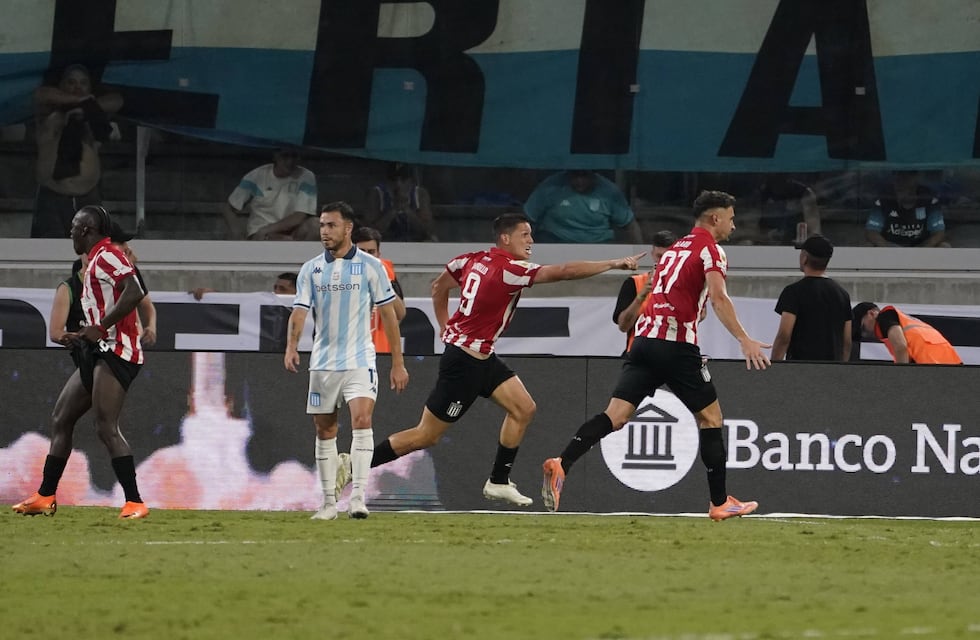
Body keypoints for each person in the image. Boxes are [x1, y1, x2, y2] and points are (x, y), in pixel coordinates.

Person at [344, 213, 644, 507]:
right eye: (524, 234)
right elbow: (564, 271)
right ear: (505, 238)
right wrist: (613, 263)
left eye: (531, 234)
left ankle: (498, 481)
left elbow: (439, 286)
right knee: (426, 436)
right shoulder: (512, 269)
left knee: (524, 408)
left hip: (482, 357)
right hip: (463, 364)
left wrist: (445, 324)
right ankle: (355, 464)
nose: (531, 241)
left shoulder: (470, 259)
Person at [541, 191, 770, 520]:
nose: (734, 226)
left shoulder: (674, 251)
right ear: (715, 218)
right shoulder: (711, 251)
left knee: (615, 416)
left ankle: (562, 462)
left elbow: (664, 295)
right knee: (711, 419)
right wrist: (743, 338)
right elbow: (719, 298)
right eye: (731, 218)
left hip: (644, 342)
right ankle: (720, 502)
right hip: (676, 345)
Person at [13, 205, 149, 518]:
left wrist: (100, 328)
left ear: (86, 229)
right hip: (99, 350)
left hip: (118, 351)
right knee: (61, 418)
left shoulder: (108, 255)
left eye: (74, 227)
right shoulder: (94, 262)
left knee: (105, 427)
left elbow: (135, 290)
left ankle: (135, 502)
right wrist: (82, 335)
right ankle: (45, 495)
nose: (70, 232)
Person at [284, 201, 409, 520]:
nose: (324, 231)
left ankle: (358, 497)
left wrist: (397, 362)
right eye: (322, 226)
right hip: (323, 363)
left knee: (363, 420)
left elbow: (389, 315)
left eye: (331, 225)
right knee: (325, 429)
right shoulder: (311, 268)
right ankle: (327, 503)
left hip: (360, 359)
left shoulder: (371, 266)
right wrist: (292, 347)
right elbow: (299, 310)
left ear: (347, 228)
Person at [31, 64, 122, 238]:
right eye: (71, 82)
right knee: (49, 254)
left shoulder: (93, 115)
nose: (77, 87)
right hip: (52, 197)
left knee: (92, 257)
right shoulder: (49, 114)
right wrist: (76, 102)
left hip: (88, 198)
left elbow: (118, 100)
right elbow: (41, 95)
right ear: (62, 86)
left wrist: (87, 107)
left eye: (83, 83)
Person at [50, 222, 157, 355]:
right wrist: (72, 337)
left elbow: (144, 305)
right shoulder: (70, 288)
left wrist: (150, 327)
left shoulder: (127, 274)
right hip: (90, 355)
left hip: (122, 353)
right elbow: (56, 331)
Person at [771, 235, 852, 361]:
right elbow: (846, 341)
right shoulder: (842, 294)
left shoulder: (793, 292)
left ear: (804, 259)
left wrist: (775, 367)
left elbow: (784, 336)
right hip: (832, 371)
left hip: (800, 369)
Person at [222, 147, 319, 241]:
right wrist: (238, 233)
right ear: (275, 156)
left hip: (291, 231)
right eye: (285, 156)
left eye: (294, 156)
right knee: (283, 241)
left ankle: (304, 255)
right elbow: (229, 208)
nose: (290, 161)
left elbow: (299, 216)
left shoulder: (306, 176)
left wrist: (269, 229)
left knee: (316, 225)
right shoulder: (257, 176)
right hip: (261, 232)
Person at [523, 170, 643, 244]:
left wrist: (643, 257)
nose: (580, 181)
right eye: (575, 176)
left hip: (599, 243)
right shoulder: (550, 187)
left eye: (584, 176)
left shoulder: (609, 191)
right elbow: (528, 220)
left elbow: (630, 224)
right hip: (555, 239)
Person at [613, 229, 677, 355]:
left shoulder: (684, 284)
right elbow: (623, 326)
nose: (663, 261)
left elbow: (700, 316)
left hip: (674, 355)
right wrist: (642, 295)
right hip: (638, 356)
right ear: (652, 253)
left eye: (667, 257)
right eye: (659, 256)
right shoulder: (634, 283)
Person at [352, 226, 407, 354]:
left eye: (371, 252)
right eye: (362, 251)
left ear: (378, 254)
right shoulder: (338, 275)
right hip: (350, 353)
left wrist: (381, 280)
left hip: (380, 352)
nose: (367, 257)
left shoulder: (387, 274)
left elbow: (400, 313)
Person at [851, 302, 962, 364]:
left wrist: (901, 378)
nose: (864, 333)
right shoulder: (904, 322)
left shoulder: (885, 317)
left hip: (932, 364)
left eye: (862, 326)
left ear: (871, 314)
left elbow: (900, 346)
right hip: (949, 363)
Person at [865, 171, 949, 247]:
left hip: (920, 246)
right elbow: (872, 231)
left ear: (916, 179)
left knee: (944, 246)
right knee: (867, 247)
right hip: (890, 246)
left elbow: (938, 233)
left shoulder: (929, 199)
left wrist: (920, 251)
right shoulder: (884, 198)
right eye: (897, 177)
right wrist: (888, 250)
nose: (900, 182)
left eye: (905, 178)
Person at [363, 162, 436, 242]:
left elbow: (428, 230)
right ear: (387, 181)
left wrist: (407, 210)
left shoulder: (420, 194)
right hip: (386, 243)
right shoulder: (377, 194)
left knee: (432, 240)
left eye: (403, 180)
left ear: (411, 181)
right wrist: (393, 210)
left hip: (415, 243)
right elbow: (369, 232)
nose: (398, 184)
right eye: (393, 180)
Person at [755, 173, 821, 245]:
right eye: (773, 175)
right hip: (766, 246)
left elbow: (814, 232)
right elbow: (751, 229)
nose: (777, 178)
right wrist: (765, 237)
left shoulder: (804, 193)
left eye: (780, 176)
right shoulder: (762, 194)